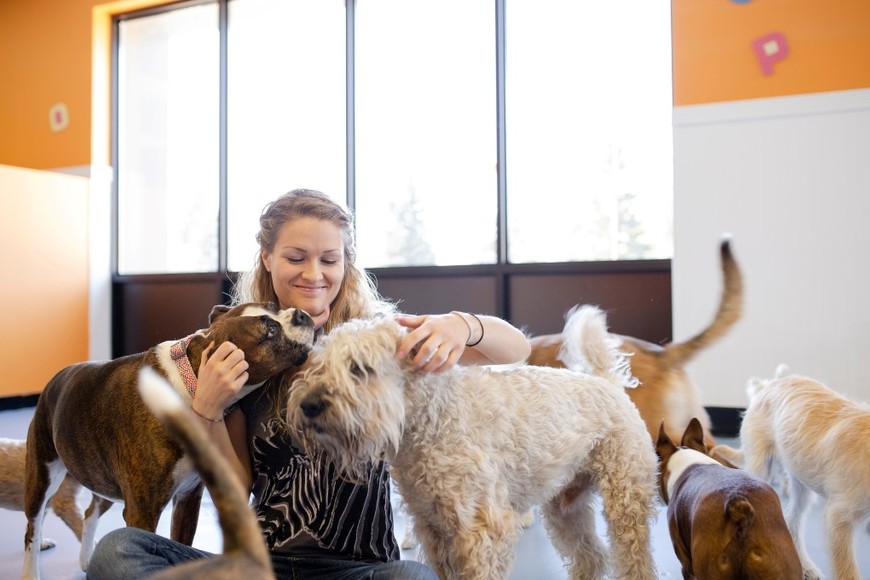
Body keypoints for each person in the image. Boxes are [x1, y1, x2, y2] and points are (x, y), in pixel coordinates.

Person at [86, 188, 531, 580]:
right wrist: (208, 410)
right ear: (267, 258)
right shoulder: (247, 350)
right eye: (296, 258)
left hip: (363, 568)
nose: (313, 274)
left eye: (329, 260)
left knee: (412, 577)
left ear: (346, 263)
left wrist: (462, 325)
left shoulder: (381, 340)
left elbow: (515, 350)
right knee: (118, 548)